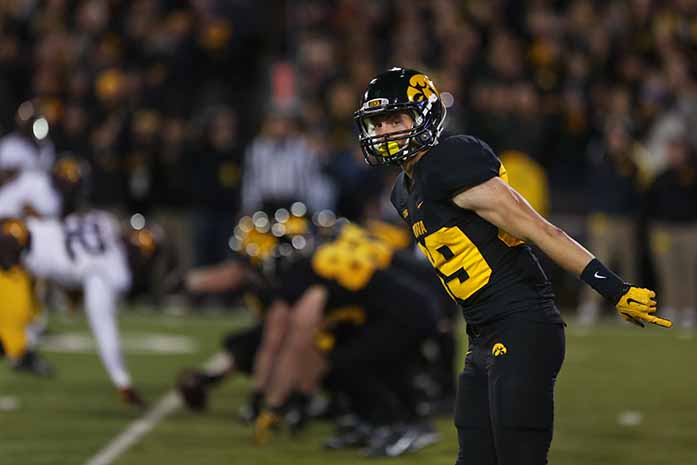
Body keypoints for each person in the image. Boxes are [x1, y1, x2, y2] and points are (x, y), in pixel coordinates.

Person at [354, 67, 672, 465]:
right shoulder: (403, 190)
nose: (384, 132)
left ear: (425, 117)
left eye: (395, 120)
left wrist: (614, 288)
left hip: (523, 324)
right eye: (377, 122)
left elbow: (540, 230)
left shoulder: (452, 160)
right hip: (482, 333)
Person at [0, 213, 160, 408]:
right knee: (12, 331)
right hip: (13, 255)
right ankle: (23, 357)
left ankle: (24, 356)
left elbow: (65, 242)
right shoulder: (115, 271)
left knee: (17, 329)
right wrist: (123, 381)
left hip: (18, 230)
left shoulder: (104, 221)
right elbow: (103, 325)